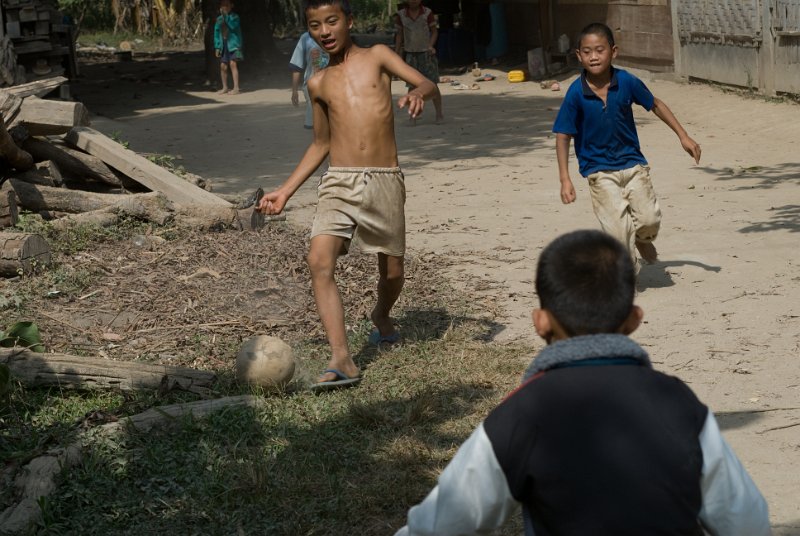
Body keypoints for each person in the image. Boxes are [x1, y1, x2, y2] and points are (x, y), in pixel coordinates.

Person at [395, 229, 770, 536]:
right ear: (635, 318)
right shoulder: (678, 402)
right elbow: (747, 522)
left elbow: (440, 524)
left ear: (540, 321)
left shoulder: (523, 413)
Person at [257, 0, 439, 391]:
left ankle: (382, 315)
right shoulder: (317, 82)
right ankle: (342, 358)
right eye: (315, 25)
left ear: (349, 21)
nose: (324, 31)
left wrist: (417, 93)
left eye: (332, 21)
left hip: (384, 179)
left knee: (392, 273)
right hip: (338, 179)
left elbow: (427, 82)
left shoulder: (378, 56)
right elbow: (321, 143)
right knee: (318, 260)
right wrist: (285, 191)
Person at [553, 22, 701, 273]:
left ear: (613, 51)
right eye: (587, 52)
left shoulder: (626, 81)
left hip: (632, 164)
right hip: (598, 170)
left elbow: (655, 104)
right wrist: (564, 179)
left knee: (649, 221)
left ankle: (643, 241)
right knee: (618, 235)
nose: (593, 56)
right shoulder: (575, 93)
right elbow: (563, 135)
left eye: (599, 50)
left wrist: (683, 136)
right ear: (578, 55)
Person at [394, 0, 444, 123]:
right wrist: (396, 52)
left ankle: (439, 114)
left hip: (426, 54)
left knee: (433, 85)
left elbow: (434, 32)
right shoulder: (401, 15)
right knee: (412, 87)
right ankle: (413, 115)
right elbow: (400, 34)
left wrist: (431, 46)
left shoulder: (427, 13)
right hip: (411, 54)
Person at [289, 31, 329, 129]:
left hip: (333, 86)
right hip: (311, 88)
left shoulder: (334, 35)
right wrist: (294, 91)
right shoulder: (306, 38)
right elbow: (297, 65)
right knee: (316, 125)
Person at [213, 0, 243, 94]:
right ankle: (225, 87)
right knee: (223, 66)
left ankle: (236, 88)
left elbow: (233, 27)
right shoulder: (219, 19)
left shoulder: (235, 17)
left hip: (234, 44)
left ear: (231, 6)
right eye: (223, 5)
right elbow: (216, 33)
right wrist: (217, 46)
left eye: (227, 5)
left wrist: (226, 17)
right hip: (223, 44)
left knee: (233, 64)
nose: (225, 7)